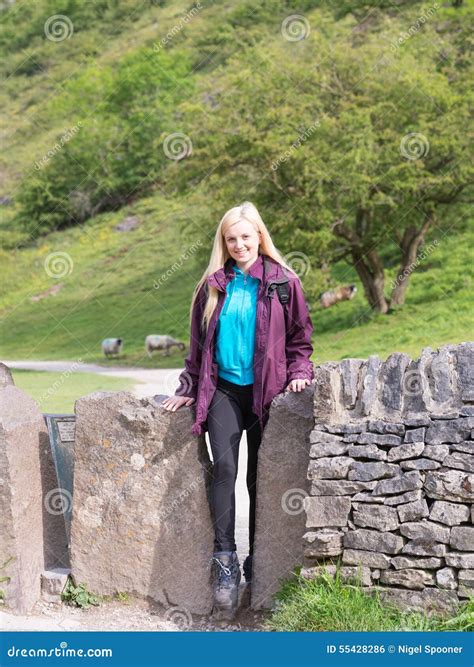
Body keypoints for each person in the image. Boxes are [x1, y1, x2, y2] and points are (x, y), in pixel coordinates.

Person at [162, 201, 314, 619]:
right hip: (225, 392)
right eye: (231, 239)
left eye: (246, 236)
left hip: (270, 395)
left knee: (258, 477)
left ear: (260, 237)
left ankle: (258, 564)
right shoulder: (211, 287)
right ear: (224, 244)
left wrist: (300, 371)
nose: (239, 244)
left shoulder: (284, 282)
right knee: (225, 471)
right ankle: (225, 563)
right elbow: (196, 350)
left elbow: (301, 340)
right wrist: (188, 388)